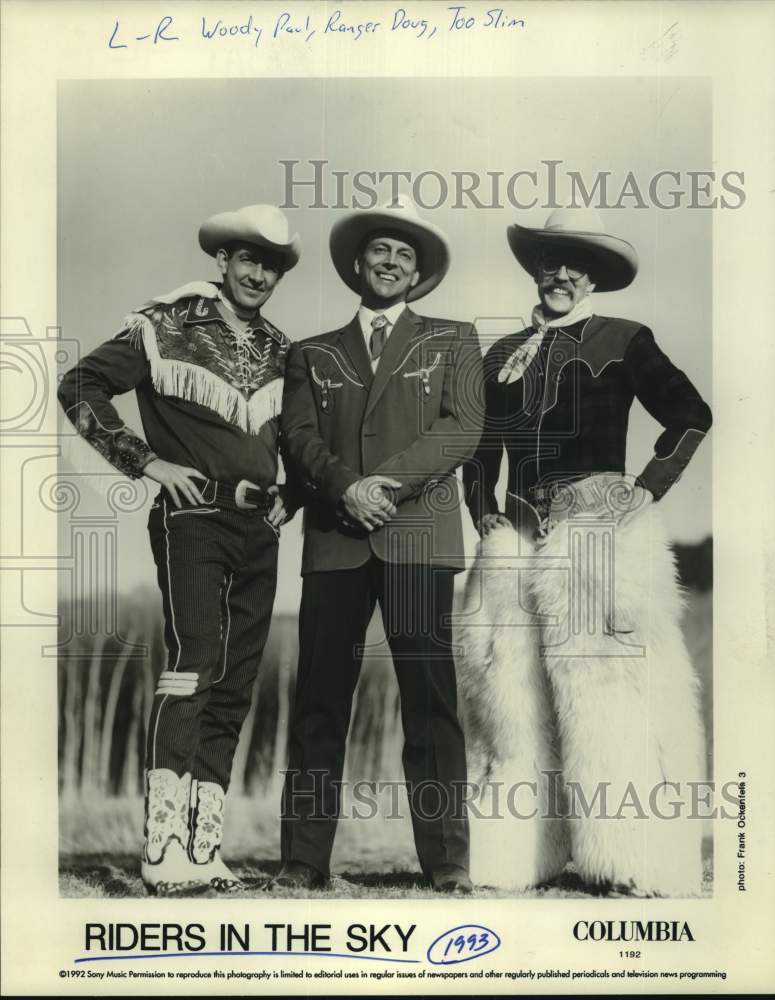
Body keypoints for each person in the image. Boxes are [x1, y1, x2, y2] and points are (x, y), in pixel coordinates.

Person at [460, 208, 712, 896]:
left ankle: (623, 860)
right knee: (511, 698)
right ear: (536, 269)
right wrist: (481, 508)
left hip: (596, 532)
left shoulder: (623, 339)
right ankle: (516, 859)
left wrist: (646, 487)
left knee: (601, 692)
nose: (562, 274)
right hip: (516, 537)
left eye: (577, 265)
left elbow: (691, 415)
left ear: (593, 277)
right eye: (552, 261)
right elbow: (478, 449)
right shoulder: (500, 354)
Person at [58, 204, 302, 896]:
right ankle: (161, 849)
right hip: (191, 519)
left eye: (271, 266)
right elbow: (79, 385)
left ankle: (203, 851)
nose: (258, 275)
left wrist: (292, 494)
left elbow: (297, 437)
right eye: (247, 259)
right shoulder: (164, 324)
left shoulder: (282, 349)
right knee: (194, 666)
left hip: (259, 529)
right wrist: (146, 462)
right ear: (222, 261)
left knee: (236, 683)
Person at [272, 196, 484, 894]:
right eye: (379, 251)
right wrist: (345, 489)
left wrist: (382, 484)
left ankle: (447, 861)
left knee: (431, 702)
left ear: (417, 273)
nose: (390, 262)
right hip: (335, 542)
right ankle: (304, 860)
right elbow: (298, 438)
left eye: (404, 254)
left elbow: (462, 429)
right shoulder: (311, 352)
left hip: (419, 539)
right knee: (319, 702)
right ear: (357, 264)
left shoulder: (454, 339)